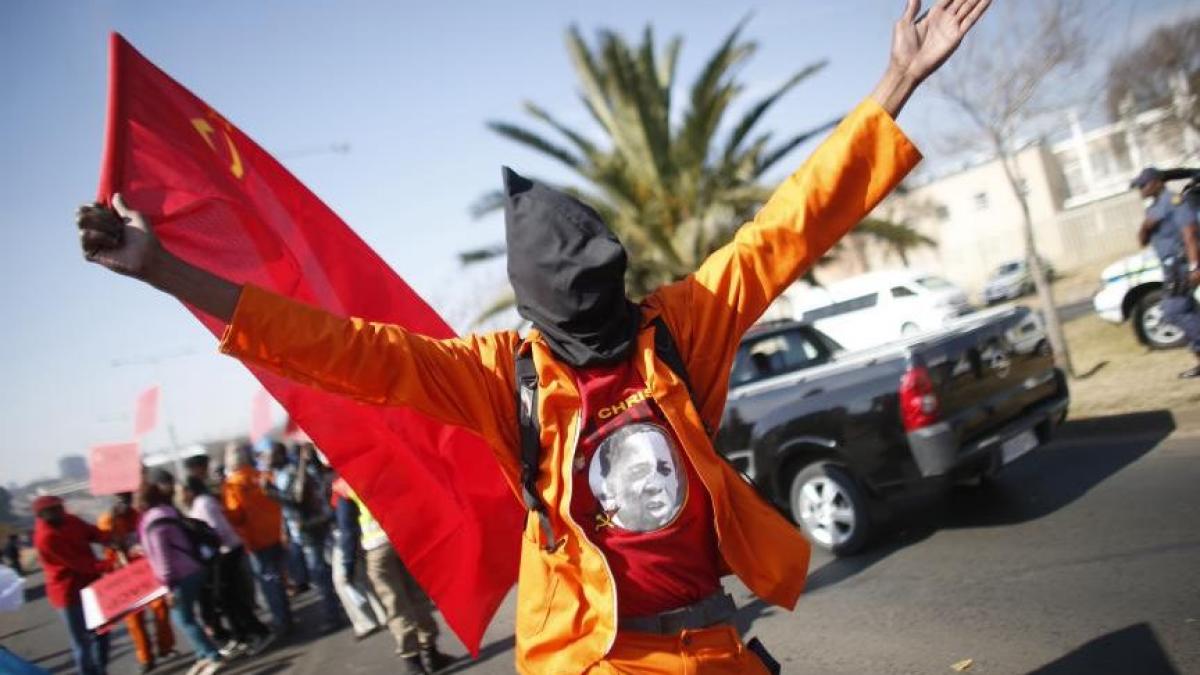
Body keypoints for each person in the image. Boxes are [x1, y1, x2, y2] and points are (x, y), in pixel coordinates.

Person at [76, 2, 988, 670]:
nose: (604, 325)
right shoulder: (497, 374)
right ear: (535, 316)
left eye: (609, 299)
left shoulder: (677, 325)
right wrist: (163, 269)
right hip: (587, 658)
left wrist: (899, 79)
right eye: (581, 311)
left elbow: (792, 225)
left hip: (713, 647)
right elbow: (334, 345)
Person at [351, 490, 450, 675]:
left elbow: (347, 525)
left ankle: (413, 662)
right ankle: (431, 652)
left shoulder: (344, 482)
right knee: (418, 597)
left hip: (376, 549)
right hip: (402, 537)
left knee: (395, 605)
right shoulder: (388, 463)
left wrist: (350, 562)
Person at [136, 476, 225, 675]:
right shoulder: (168, 513)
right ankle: (203, 654)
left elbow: (163, 557)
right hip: (193, 567)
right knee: (188, 617)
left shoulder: (154, 523)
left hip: (179, 576)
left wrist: (168, 586)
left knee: (183, 619)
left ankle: (212, 656)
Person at [181, 476, 275, 656]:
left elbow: (218, 530)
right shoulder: (200, 504)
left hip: (227, 551)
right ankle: (242, 635)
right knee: (227, 598)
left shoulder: (203, 504)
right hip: (224, 552)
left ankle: (258, 632)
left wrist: (210, 545)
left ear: (190, 491)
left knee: (231, 597)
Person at [97, 492, 176, 673]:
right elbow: (107, 551)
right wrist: (113, 541)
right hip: (125, 578)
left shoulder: (141, 515)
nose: (124, 503)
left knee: (161, 609)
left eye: (127, 499)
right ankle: (145, 657)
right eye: (120, 499)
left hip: (148, 572)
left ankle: (165, 647)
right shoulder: (107, 521)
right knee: (134, 620)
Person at [266, 441, 342, 629]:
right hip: (300, 531)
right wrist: (284, 529)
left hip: (310, 528)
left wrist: (272, 493)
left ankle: (333, 615)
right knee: (318, 572)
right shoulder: (279, 475)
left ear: (280, 455)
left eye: (270, 455)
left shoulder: (292, 473)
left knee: (320, 572)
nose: (267, 460)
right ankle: (333, 610)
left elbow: (296, 498)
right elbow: (286, 509)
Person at [1133, 166, 1200, 377]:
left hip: (1181, 266)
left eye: (1144, 185)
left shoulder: (1174, 202)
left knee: (1174, 311)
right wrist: (1145, 225)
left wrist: (1194, 266)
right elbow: (1142, 241)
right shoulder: (1152, 209)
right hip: (1170, 269)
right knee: (1186, 311)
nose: (1141, 189)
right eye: (1139, 186)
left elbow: (1190, 235)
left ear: (1157, 183)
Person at [31, 495, 110, 675]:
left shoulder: (71, 520)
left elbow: (92, 533)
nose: (59, 512)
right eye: (53, 510)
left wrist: (110, 537)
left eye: (59, 507)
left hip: (91, 585)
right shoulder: (46, 537)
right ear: (41, 515)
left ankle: (101, 669)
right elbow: (78, 564)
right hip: (67, 594)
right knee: (82, 641)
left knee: (102, 631)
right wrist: (109, 565)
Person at [220, 443, 292, 634]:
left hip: (256, 539)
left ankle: (282, 620)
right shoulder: (261, 475)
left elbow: (236, 516)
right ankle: (285, 615)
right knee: (279, 577)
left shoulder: (232, 485)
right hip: (277, 531)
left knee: (269, 581)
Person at [329, 477, 386, 641]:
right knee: (364, 576)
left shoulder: (339, 484)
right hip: (370, 535)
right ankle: (381, 614)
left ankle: (367, 622)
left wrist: (347, 562)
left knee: (345, 579)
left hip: (364, 536)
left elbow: (346, 526)